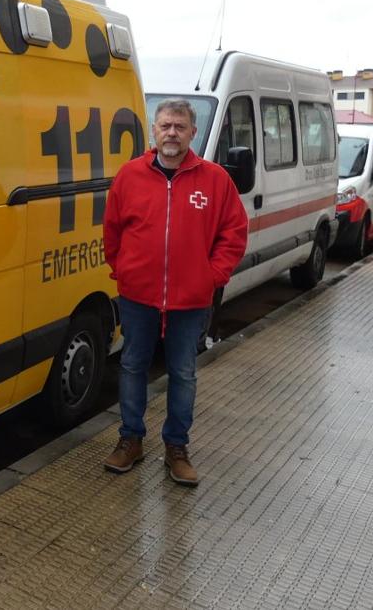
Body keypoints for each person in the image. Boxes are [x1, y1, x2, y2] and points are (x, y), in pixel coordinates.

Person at [102, 99, 248, 486]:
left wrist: (211, 276)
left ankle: (176, 448)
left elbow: (234, 234)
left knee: (183, 373)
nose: (171, 133)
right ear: (154, 130)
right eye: (165, 125)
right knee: (133, 366)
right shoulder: (130, 176)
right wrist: (123, 271)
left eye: (179, 127)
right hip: (138, 297)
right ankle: (130, 439)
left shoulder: (215, 180)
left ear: (192, 133)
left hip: (190, 300)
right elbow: (112, 230)